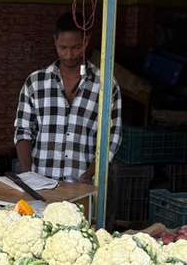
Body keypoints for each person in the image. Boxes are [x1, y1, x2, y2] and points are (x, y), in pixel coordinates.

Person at [14, 12, 121, 182]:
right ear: (55, 41)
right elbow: (23, 131)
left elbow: (111, 138)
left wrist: (88, 175)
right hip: (41, 185)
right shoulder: (35, 83)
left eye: (76, 47)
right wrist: (28, 175)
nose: (69, 55)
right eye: (63, 48)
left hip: (84, 185)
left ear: (86, 42)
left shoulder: (105, 85)